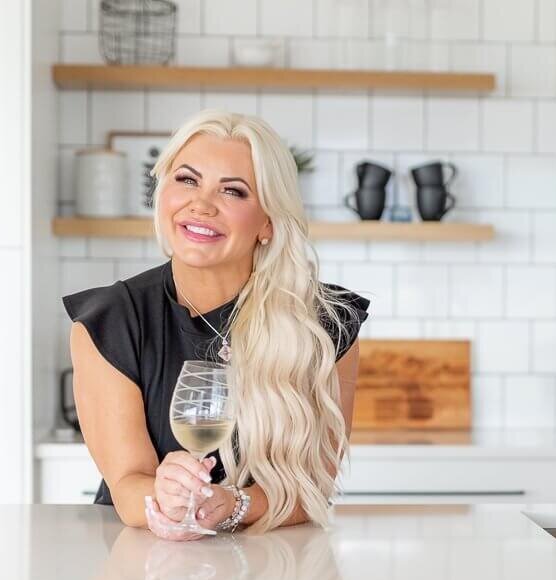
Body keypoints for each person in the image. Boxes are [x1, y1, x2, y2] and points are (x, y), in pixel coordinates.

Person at [64, 110, 370, 534]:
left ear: (268, 222)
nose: (201, 204)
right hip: (146, 568)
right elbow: (128, 486)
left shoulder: (325, 324)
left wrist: (233, 505)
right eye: (187, 180)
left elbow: (314, 486)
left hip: (275, 572)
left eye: (234, 191)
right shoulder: (111, 322)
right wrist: (166, 497)